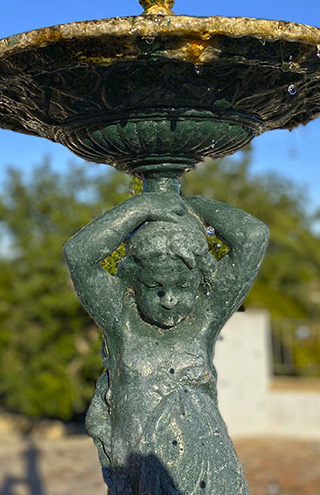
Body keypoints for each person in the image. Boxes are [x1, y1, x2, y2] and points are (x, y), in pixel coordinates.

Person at [63, 189, 269, 495]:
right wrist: (144, 206)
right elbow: (78, 255)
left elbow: (253, 236)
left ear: (199, 284)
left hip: (205, 476)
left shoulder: (204, 319)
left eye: (183, 286)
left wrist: (193, 207)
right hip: (137, 477)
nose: (169, 299)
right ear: (133, 285)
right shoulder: (122, 322)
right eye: (154, 286)